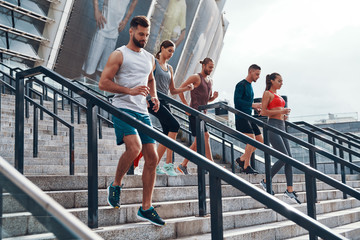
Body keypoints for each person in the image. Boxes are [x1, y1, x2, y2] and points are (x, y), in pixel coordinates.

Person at [98, 16, 165, 226]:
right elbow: (103, 83)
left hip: (142, 111)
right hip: (122, 108)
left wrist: (154, 96)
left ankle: (146, 208)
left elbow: (151, 78)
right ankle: (116, 184)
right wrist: (129, 90)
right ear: (131, 31)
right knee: (134, 148)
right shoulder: (119, 55)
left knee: (152, 158)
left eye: (146, 35)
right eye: (140, 34)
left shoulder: (149, 58)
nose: (144, 38)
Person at [144, 40, 194, 176]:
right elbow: (145, 81)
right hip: (154, 101)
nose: (171, 53)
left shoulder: (170, 68)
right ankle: (165, 164)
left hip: (165, 101)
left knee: (168, 133)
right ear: (162, 49)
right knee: (175, 125)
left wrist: (186, 88)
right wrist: (148, 98)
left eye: (173, 51)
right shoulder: (153, 63)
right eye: (169, 50)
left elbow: (172, 90)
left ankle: (159, 165)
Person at [259, 73, 301, 204]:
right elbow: (263, 112)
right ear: (272, 81)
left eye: (282, 81)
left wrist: (284, 115)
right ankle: (266, 181)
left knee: (290, 159)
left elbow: (278, 110)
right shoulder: (267, 93)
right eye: (279, 81)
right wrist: (281, 112)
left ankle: (289, 190)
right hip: (273, 126)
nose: (281, 83)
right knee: (284, 156)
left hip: (282, 126)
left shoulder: (278, 96)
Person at [176, 58, 219, 175]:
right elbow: (180, 89)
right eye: (209, 67)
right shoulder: (196, 77)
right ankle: (211, 164)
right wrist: (186, 106)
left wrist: (213, 98)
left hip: (202, 114)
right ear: (203, 65)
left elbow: (206, 100)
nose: (211, 69)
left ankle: (184, 165)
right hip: (194, 113)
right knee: (205, 136)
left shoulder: (210, 80)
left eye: (212, 67)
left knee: (201, 139)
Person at [82, 0, 138, 81]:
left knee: (103, 72)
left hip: (115, 32)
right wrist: (96, 10)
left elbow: (134, 2)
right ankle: (81, 91)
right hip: (102, 28)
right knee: (89, 70)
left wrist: (125, 20)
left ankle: (93, 92)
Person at [233, 64, 264, 174]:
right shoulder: (241, 85)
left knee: (260, 141)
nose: (258, 77)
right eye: (257, 74)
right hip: (241, 118)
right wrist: (253, 105)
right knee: (251, 140)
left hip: (249, 117)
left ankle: (241, 159)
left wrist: (255, 109)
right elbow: (237, 102)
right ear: (250, 71)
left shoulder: (250, 86)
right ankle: (246, 165)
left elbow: (247, 104)